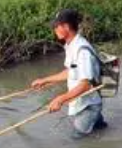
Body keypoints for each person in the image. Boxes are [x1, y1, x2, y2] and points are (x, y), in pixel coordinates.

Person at [31, 8, 106, 137]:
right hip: (86, 102)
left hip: (87, 106)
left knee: (77, 142)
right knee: (101, 131)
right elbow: (71, 72)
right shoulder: (71, 45)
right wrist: (45, 80)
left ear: (66, 26)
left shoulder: (82, 51)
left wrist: (60, 99)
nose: (54, 30)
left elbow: (85, 85)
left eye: (56, 26)